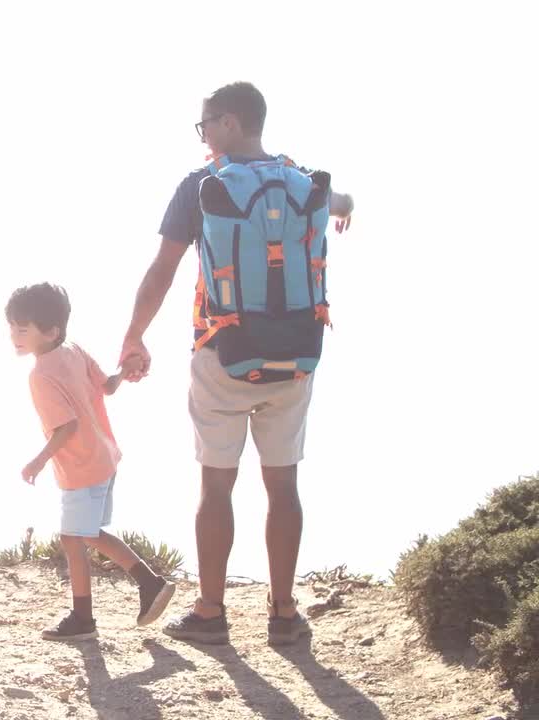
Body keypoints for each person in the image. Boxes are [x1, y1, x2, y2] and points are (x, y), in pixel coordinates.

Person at [118, 81, 356, 646]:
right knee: (283, 486)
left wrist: (133, 336)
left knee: (216, 487)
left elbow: (162, 271)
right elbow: (339, 202)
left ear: (228, 123)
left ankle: (210, 611)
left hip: (222, 353)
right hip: (296, 355)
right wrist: (348, 208)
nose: (203, 138)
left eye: (205, 126)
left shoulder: (202, 186)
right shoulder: (304, 181)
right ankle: (284, 613)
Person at [7, 282, 176, 642]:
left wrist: (36, 462)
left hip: (82, 465)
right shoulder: (72, 349)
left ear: (51, 331)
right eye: (12, 327)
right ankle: (139, 588)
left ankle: (101, 608)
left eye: (22, 329)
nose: (14, 335)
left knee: (75, 537)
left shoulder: (40, 375)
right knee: (86, 534)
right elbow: (108, 387)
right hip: (105, 458)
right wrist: (125, 370)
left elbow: (66, 427)